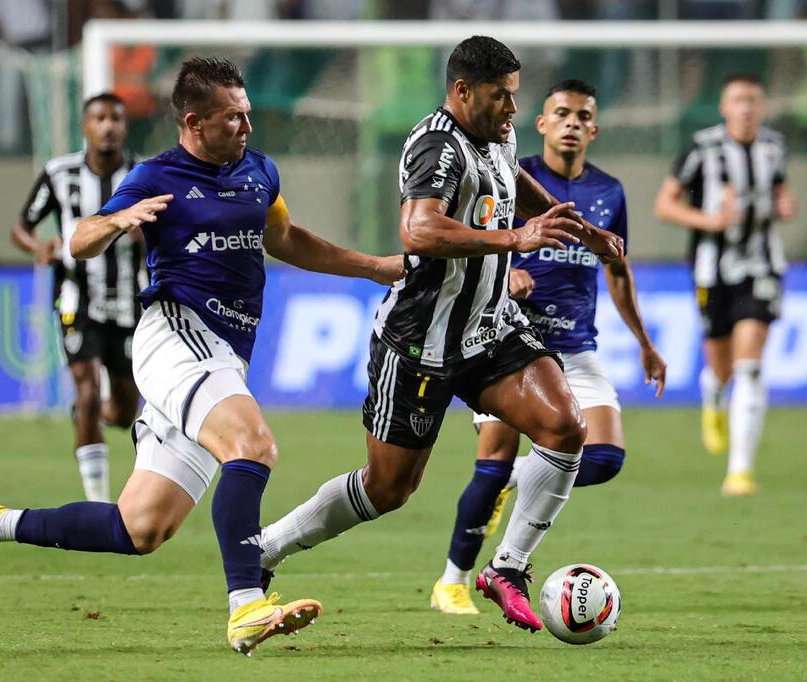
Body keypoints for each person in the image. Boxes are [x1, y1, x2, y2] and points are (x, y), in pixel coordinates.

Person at [0, 56, 403, 656]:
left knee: (140, 529)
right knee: (252, 446)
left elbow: (284, 238)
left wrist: (373, 268)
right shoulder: (156, 176)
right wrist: (116, 220)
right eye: (233, 118)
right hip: (175, 335)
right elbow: (79, 238)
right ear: (194, 123)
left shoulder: (260, 171)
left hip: (224, 353)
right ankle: (246, 605)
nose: (247, 127)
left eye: (248, 113)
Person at [255, 36, 624, 634]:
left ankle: (508, 567)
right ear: (462, 91)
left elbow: (513, 182)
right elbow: (419, 230)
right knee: (387, 489)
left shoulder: (497, 134)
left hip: (488, 329)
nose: (512, 110)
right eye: (501, 98)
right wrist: (515, 240)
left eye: (514, 95)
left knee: (565, 425)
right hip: (419, 342)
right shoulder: (437, 147)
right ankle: (264, 550)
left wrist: (572, 225)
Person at [430, 78, 667, 616]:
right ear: (541, 124)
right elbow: (470, 239)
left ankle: (516, 482)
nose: (572, 123)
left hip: (577, 348)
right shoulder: (516, 178)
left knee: (604, 458)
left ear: (594, 129)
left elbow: (617, 267)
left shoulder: (610, 192)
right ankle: (452, 582)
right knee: (492, 460)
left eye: (583, 116)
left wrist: (645, 343)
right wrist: (507, 270)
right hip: (509, 343)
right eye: (561, 113)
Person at [654, 73, 797, 496]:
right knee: (721, 364)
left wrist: (786, 205)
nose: (747, 108)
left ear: (762, 106)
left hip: (763, 265)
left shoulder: (774, 147)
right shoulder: (702, 149)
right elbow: (665, 203)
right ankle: (713, 395)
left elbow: (782, 193)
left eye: (753, 100)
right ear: (723, 106)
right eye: (738, 100)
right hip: (711, 268)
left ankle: (739, 470)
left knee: (750, 365)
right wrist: (708, 220)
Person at [11, 92, 143, 504]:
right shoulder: (58, 173)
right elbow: (21, 225)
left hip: (128, 302)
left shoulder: (145, 175)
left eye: (116, 119)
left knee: (124, 411)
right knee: (86, 389)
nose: (108, 126)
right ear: (85, 127)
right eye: (99, 118)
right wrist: (37, 246)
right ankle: (98, 504)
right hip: (74, 299)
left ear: (125, 127)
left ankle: (93, 415)